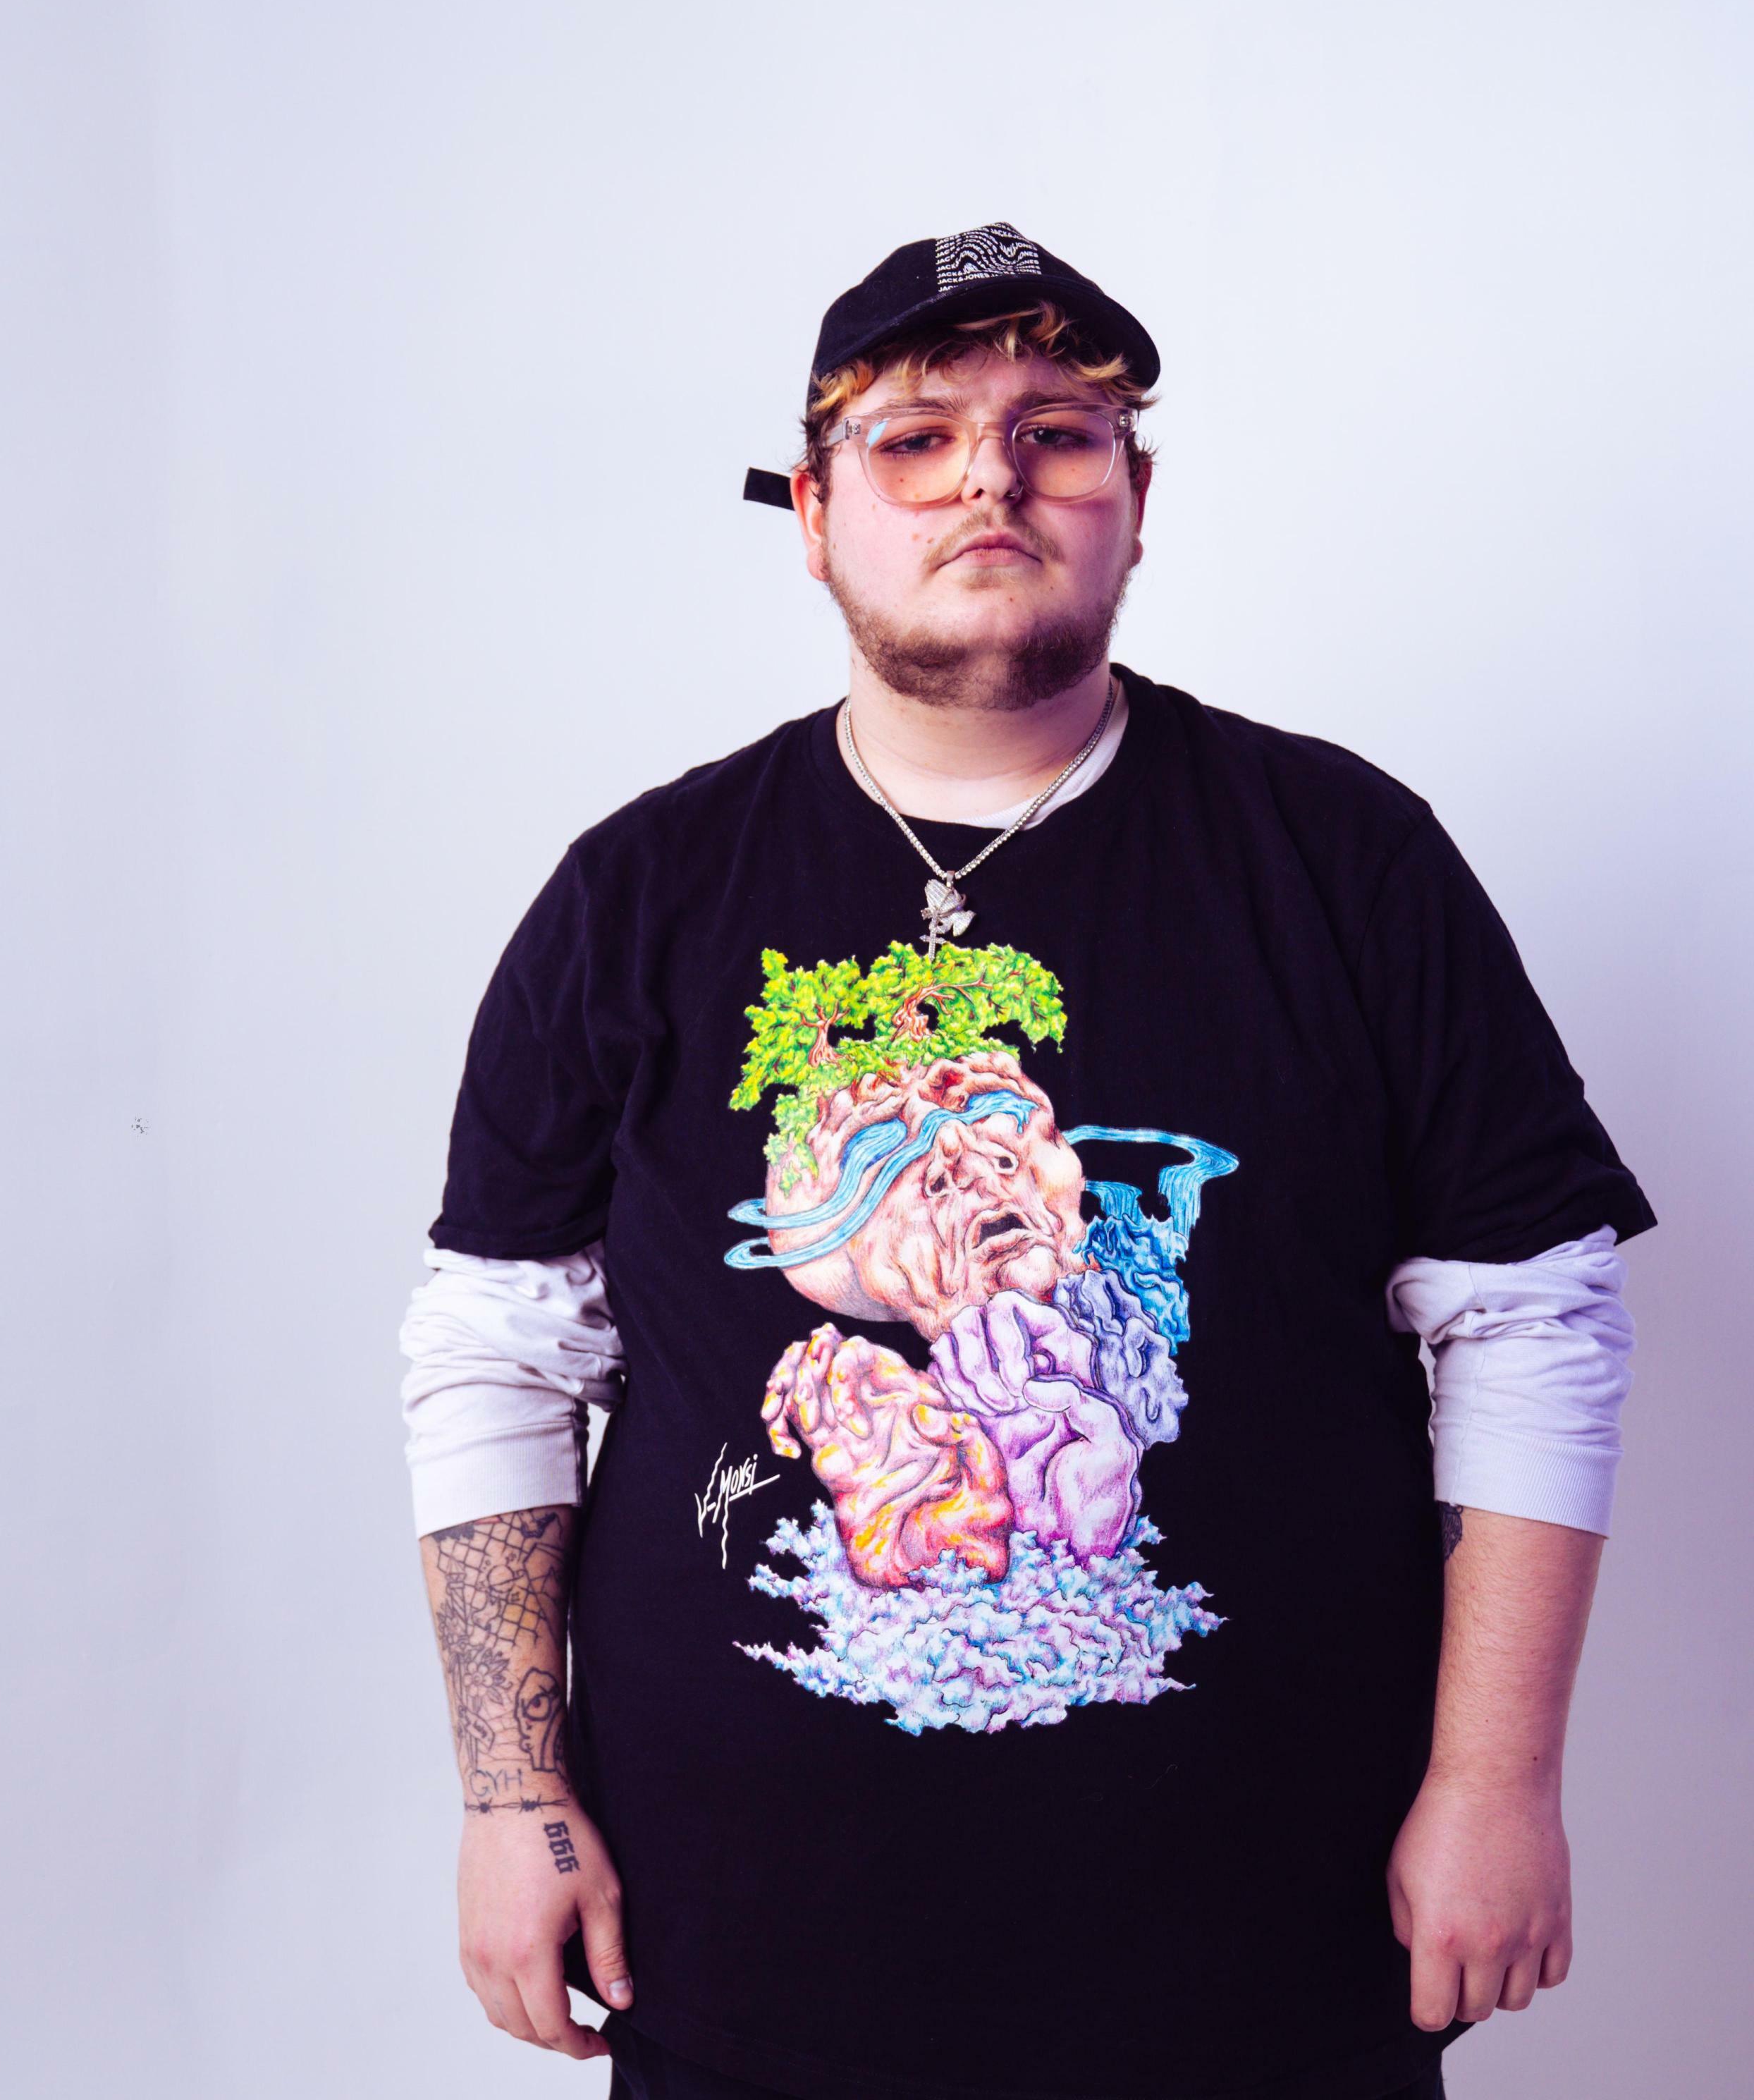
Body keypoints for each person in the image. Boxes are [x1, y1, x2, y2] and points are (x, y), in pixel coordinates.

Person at [403, 224, 1655, 2100]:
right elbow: (497, 1352)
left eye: (1057, 433)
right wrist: (513, 1800)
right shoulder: (637, 895)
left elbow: (1533, 1320)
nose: (989, 478)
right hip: (750, 1950)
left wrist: (1497, 1784)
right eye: (915, 439)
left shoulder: (1347, 860)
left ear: (1135, 502)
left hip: (1269, 1948)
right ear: (814, 513)